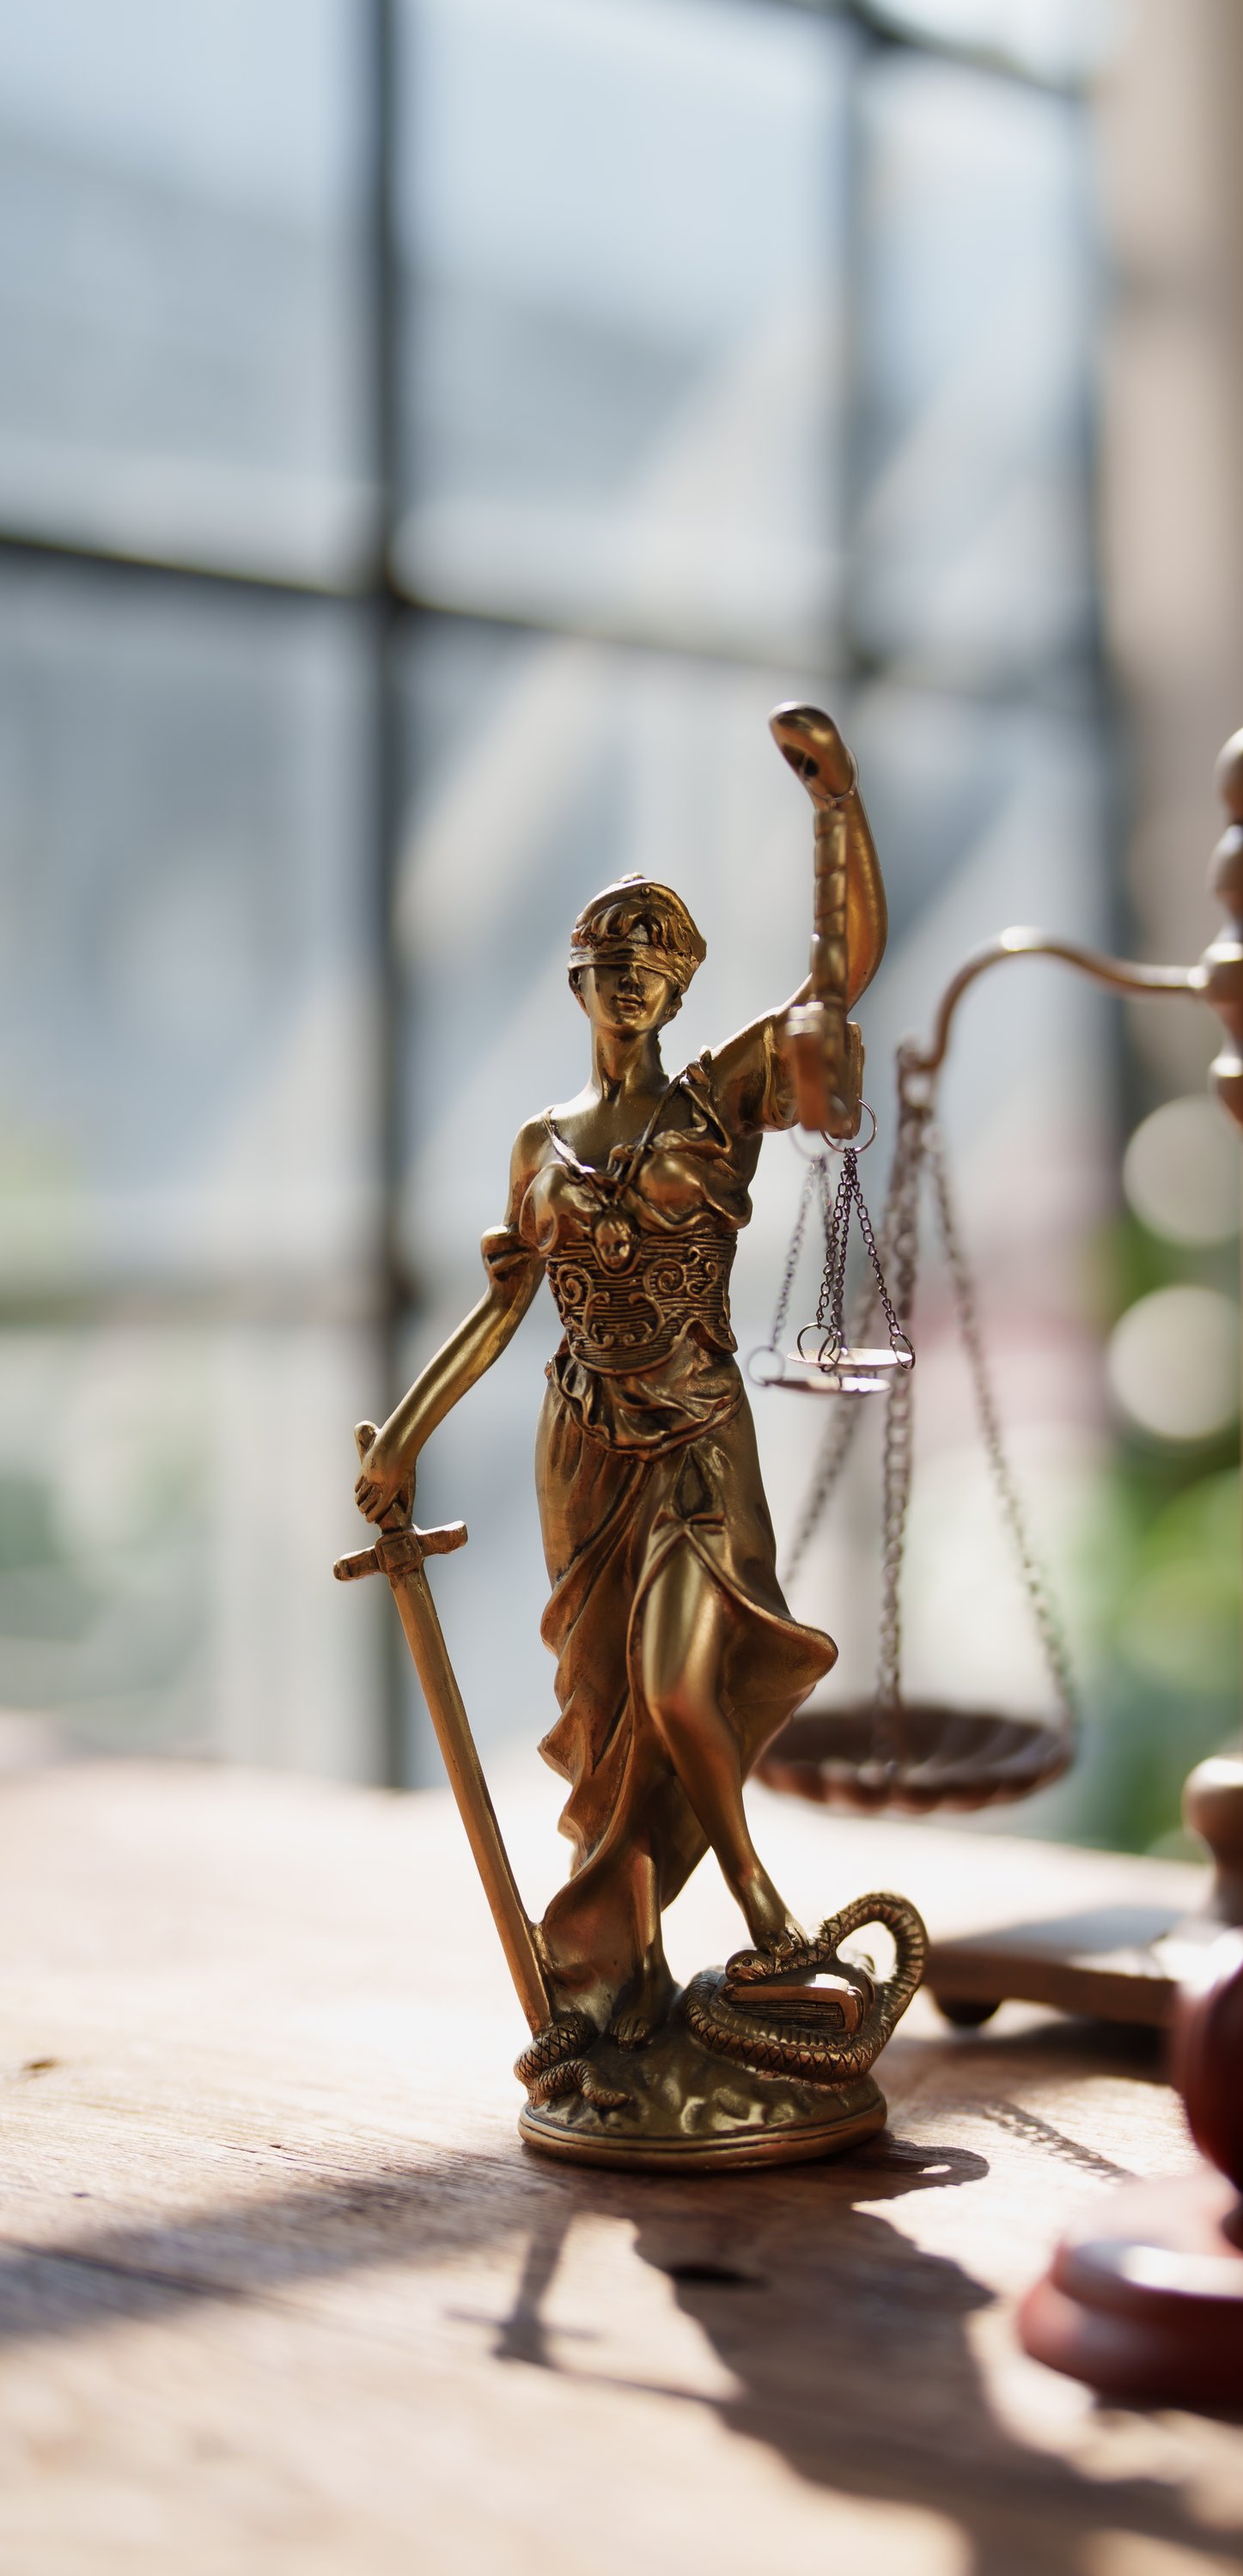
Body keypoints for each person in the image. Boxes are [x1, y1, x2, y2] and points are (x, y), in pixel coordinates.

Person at [353, 708, 887, 2045]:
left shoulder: (717, 1104)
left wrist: (836, 805)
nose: (631, 973)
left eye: (656, 956)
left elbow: (839, 980)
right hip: (581, 1442)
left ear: (686, 982)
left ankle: (763, 1913)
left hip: (698, 1431)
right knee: (605, 1730)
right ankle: (620, 1978)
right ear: (578, 980)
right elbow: (501, 1314)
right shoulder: (539, 1145)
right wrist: (400, 1442)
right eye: (609, 955)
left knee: (673, 1688)